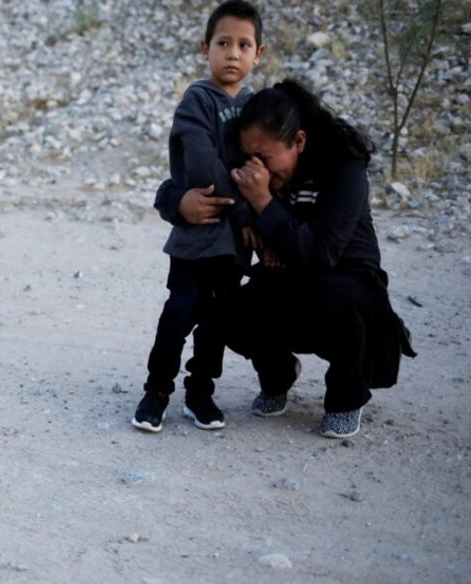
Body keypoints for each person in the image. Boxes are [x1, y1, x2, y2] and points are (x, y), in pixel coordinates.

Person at [170, 79, 415, 438]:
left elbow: (320, 254)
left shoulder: (344, 169)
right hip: (289, 281)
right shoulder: (256, 174)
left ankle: (346, 398)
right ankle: (278, 375)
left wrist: (263, 204)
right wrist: (178, 204)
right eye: (250, 158)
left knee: (336, 298)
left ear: (298, 141)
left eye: (266, 158)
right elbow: (189, 185)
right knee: (227, 310)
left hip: (349, 287)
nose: (259, 171)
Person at [131, 0, 266, 433]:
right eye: (223, 43)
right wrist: (247, 209)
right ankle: (156, 392)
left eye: (244, 45)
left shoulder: (255, 106)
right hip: (197, 238)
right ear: (205, 47)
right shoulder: (197, 101)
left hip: (233, 247)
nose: (233, 53)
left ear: (257, 54)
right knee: (178, 315)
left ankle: (200, 394)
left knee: (215, 325)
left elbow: (263, 164)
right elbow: (206, 166)